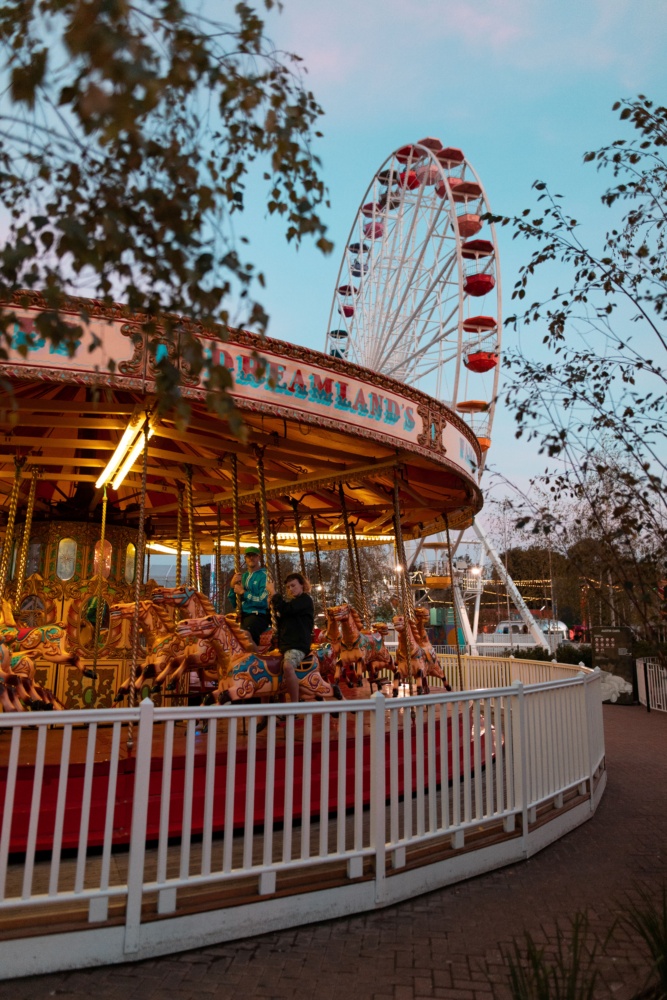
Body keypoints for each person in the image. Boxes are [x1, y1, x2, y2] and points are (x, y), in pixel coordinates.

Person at [267, 572, 314, 705]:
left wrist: (274, 594)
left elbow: (288, 610)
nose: (290, 589)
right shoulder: (292, 604)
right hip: (286, 645)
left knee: (288, 666)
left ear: (302, 585)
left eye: (293, 585)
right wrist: (269, 607)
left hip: (297, 645)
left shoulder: (305, 600)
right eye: (288, 587)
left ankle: (294, 704)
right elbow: (279, 620)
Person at [228, 547, 270, 645]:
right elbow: (234, 603)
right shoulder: (243, 576)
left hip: (258, 615)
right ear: (245, 558)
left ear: (259, 557)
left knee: (246, 635)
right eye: (248, 556)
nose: (251, 558)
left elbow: (262, 601)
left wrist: (243, 593)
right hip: (244, 615)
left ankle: (252, 656)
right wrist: (232, 586)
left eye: (254, 556)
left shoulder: (264, 576)